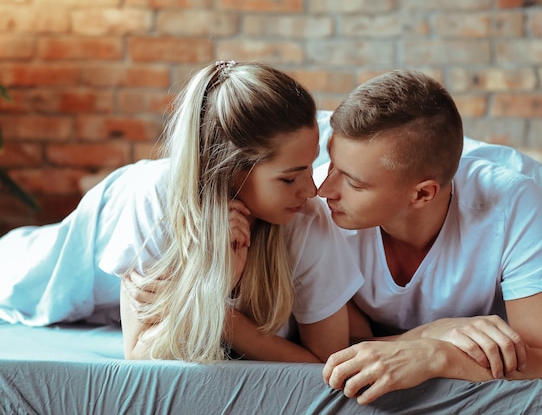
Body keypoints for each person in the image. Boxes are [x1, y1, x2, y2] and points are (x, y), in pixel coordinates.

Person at [0, 61, 362, 364]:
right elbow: (139, 351)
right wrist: (209, 287)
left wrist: (217, 310)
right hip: (74, 250)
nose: (311, 190)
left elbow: (325, 362)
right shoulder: (153, 198)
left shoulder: (306, 216)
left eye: (309, 167)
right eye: (288, 178)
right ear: (229, 169)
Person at [315, 70, 542, 404]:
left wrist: (438, 356)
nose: (323, 188)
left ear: (422, 195)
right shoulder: (316, 207)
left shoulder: (507, 203)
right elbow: (335, 348)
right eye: (330, 164)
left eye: (354, 183)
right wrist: (429, 334)